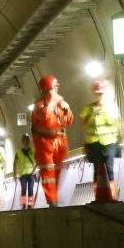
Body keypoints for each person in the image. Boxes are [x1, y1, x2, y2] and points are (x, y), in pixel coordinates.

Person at [31, 75, 74, 207]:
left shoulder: (60, 104)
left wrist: (67, 110)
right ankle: (52, 201)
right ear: (44, 90)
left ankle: (54, 198)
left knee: (56, 171)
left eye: (56, 88)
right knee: (48, 171)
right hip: (44, 143)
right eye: (53, 88)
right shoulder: (39, 106)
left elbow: (68, 121)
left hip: (59, 141)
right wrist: (52, 103)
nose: (56, 91)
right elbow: (45, 120)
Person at [80, 79, 121, 202]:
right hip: (94, 144)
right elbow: (84, 125)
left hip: (109, 143)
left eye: (101, 92)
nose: (100, 95)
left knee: (109, 169)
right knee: (97, 170)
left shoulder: (112, 106)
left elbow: (118, 123)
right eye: (98, 93)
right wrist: (93, 114)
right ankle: (98, 195)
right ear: (94, 93)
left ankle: (112, 195)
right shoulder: (88, 108)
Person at [13, 133, 36, 209]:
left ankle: (30, 205)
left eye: (28, 140)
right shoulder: (18, 153)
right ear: (22, 142)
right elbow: (15, 163)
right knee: (23, 189)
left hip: (31, 174)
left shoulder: (33, 151)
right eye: (25, 140)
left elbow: (38, 161)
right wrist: (14, 174)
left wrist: (34, 170)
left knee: (30, 189)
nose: (26, 142)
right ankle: (23, 205)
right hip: (22, 175)